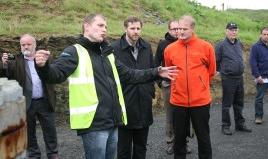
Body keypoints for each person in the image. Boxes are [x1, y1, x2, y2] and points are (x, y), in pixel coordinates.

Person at [34, 14, 178, 159]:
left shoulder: (107, 54)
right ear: (87, 26)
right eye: (100, 26)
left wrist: (156, 71)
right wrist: (43, 66)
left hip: (112, 121)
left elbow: (130, 75)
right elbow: (55, 75)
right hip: (93, 123)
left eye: (106, 27)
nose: (104, 30)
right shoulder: (75, 51)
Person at [164, 15, 216, 159]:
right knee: (179, 140)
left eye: (184, 29)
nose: (180, 32)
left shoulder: (206, 47)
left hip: (200, 102)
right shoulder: (170, 49)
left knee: (203, 138)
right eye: (179, 28)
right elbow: (170, 70)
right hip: (178, 101)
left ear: (193, 29)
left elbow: (211, 72)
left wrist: (200, 85)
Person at [1, 34, 58, 159]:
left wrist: (48, 62)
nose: (26, 47)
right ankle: (34, 155)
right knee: (29, 132)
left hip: (45, 101)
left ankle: (53, 154)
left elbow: (55, 73)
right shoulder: (15, 60)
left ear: (35, 45)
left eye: (28, 44)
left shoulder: (44, 58)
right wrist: (4, 64)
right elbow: (6, 76)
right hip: (26, 103)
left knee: (50, 130)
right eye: (23, 45)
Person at [110, 16, 155, 159]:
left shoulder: (146, 46)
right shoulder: (114, 48)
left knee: (141, 147)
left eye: (138, 28)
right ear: (125, 29)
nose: (136, 31)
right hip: (124, 102)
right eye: (132, 28)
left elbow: (151, 70)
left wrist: (149, 91)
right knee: (123, 149)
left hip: (144, 102)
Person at [154, 20, 192, 155]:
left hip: (184, 86)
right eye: (174, 29)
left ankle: (184, 142)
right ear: (169, 30)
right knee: (170, 116)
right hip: (169, 85)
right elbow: (155, 64)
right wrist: (160, 81)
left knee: (184, 115)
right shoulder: (163, 45)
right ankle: (170, 142)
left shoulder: (187, 44)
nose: (177, 31)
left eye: (179, 28)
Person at [215, 23, 252, 135]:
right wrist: (222, 71)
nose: (234, 32)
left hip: (239, 77)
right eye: (231, 30)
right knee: (227, 104)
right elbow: (216, 61)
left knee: (239, 102)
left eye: (235, 30)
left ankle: (240, 124)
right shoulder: (221, 45)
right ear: (226, 31)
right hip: (228, 78)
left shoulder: (239, 43)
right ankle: (225, 126)